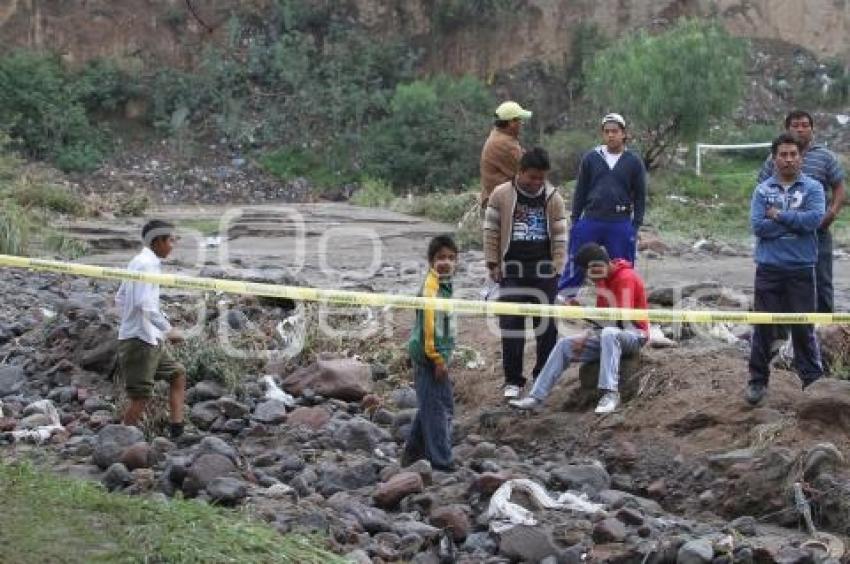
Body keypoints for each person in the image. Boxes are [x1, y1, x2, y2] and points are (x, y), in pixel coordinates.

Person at [510, 243, 649, 414]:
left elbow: (620, 322)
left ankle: (610, 394)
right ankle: (535, 397)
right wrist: (586, 325)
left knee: (609, 334)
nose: (592, 280)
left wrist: (584, 314)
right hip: (610, 334)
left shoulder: (625, 278)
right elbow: (603, 319)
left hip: (634, 334)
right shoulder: (602, 280)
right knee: (565, 344)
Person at [746, 133, 825, 406]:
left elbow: (813, 220)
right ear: (774, 158)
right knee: (763, 328)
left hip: (802, 269)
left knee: (803, 328)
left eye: (793, 154)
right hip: (769, 269)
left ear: (800, 157)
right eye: (783, 154)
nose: (789, 159)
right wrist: (795, 222)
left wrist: (778, 216)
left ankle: (812, 382)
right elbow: (758, 226)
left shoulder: (813, 188)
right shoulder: (762, 190)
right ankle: (757, 381)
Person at [484, 147, 568, 399]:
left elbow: (561, 236)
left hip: (544, 271)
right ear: (520, 172)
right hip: (512, 270)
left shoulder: (554, 198)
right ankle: (513, 381)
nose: (536, 183)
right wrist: (492, 264)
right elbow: (491, 231)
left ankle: (543, 376)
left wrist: (557, 267)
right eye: (532, 177)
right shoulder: (500, 195)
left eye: (541, 178)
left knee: (546, 327)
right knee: (511, 325)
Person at [757, 110, 846, 314]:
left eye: (805, 125)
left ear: (812, 129)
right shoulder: (774, 159)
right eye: (795, 125)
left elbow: (839, 188)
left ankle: (825, 331)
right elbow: (761, 189)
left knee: (822, 281)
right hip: (782, 232)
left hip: (818, 230)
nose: (800, 129)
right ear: (787, 129)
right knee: (782, 282)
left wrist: (830, 214)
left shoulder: (825, 156)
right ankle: (785, 334)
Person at [559, 113, 647, 300]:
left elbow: (640, 195)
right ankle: (564, 298)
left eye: (615, 131)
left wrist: (636, 224)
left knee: (622, 266)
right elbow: (581, 190)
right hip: (591, 218)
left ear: (624, 134)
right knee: (577, 260)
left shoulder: (633, 161)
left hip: (620, 221)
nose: (611, 135)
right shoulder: (591, 158)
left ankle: (621, 302)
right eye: (607, 131)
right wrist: (575, 220)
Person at [115, 220, 186, 438]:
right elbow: (143, 304)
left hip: (148, 337)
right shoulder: (146, 265)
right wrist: (167, 329)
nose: (173, 245)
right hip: (139, 341)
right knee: (141, 397)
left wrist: (133, 321)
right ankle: (118, 440)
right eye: (170, 240)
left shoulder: (141, 261)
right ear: (157, 241)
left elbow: (121, 297)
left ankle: (177, 430)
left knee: (177, 374)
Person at [402, 235, 459, 472]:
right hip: (428, 357)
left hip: (437, 355)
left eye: (451, 258)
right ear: (430, 261)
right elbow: (428, 329)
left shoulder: (445, 283)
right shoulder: (431, 288)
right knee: (439, 409)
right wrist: (437, 359)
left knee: (432, 404)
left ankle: (412, 454)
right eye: (440, 258)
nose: (446, 262)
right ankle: (442, 462)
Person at [479, 101, 532, 209]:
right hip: (502, 202)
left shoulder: (498, 135)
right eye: (519, 120)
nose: (522, 123)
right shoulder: (505, 143)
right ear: (511, 123)